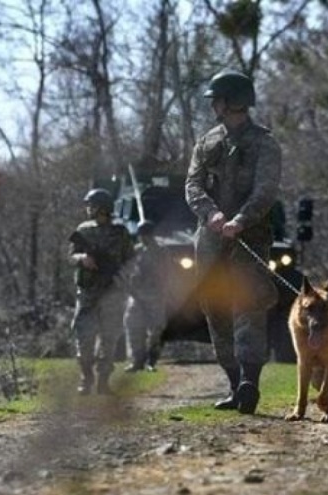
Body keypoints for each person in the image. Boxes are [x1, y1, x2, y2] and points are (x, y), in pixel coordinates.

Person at [185, 68, 282, 414]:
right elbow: (192, 185)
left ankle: (249, 384)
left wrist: (241, 220)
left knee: (248, 306)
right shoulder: (207, 142)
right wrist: (211, 214)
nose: (214, 106)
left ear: (230, 102)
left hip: (250, 237)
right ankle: (233, 383)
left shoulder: (265, 143)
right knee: (215, 308)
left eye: (217, 100)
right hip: (210, 240)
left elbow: (266, 190)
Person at [68, 188, 133, 394]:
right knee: (84, 337)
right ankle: (86, 377)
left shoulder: (120, 232)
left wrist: (122, 276)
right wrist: (82, 259)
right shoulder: (83, 230)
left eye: (91, 205)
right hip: (87, 293)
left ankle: (103, 381)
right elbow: (71, 255)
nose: (88, 209)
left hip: (112, 293)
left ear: (101, 208)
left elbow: (130, 260)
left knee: (109, 338)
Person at [123, 220, 167, 372]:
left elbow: (167, 274)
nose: (143, 238)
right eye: (141, 235)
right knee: (134, 327)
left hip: (155, 296)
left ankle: (151, 361)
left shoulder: (161, 252)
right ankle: (137, 361)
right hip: (136, 296)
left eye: (145, 235)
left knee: (156, 331)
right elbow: (127, 271)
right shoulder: (136, 251)